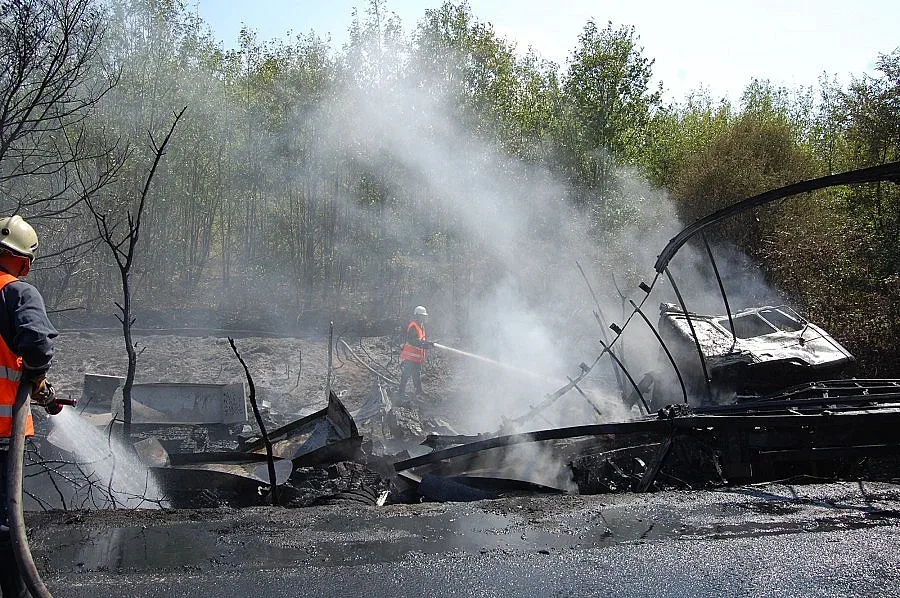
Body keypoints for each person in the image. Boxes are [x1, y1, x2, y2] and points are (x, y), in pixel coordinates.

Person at [0, 215, 56, 597]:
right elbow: (37, 344)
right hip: (3, 436)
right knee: (7, 529)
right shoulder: (17, 293)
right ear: (23, 261)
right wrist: (35, 376)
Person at [398, 305, 433, 399]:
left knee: (416, 374)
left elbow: (421, 340)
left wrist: (427, 343)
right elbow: (413, 341)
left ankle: (419, 391)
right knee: (406, 375)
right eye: (422, 316)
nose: (424, 318)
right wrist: (424, 345)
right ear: (417, 316)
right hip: (410, 357)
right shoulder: (414, 326)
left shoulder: (421, 326)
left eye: (424, 316)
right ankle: (400, 393)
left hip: (416, 357)